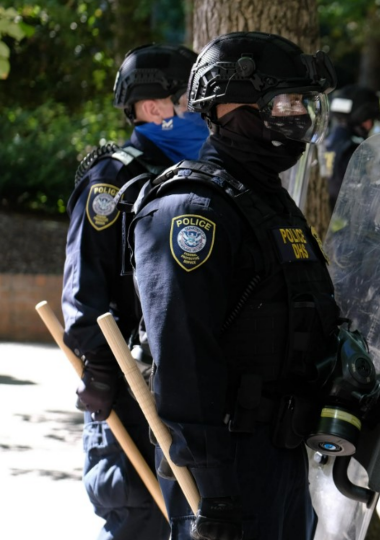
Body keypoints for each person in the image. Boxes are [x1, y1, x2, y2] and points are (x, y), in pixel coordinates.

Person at [129, 32, 339, 539]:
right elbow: (183, 358)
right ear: (227, 108)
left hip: (283, 453)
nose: (298, 116)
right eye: (284, 102)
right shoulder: (193, 210)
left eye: (303, 102)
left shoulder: (267, 200)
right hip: (226, 465)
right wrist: (214, 488)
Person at [62, 43, 202, 540]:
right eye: (191, 98)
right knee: (137, 518)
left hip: (187, 390)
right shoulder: (113, 181)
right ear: (152, 107)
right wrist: (100, 368)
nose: (201, 111)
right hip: (128, 385)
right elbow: (86, 290)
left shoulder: (199, 177)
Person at [326, 84, 380, 210]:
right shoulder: (358, 152)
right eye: (371, 119)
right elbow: (365, 200)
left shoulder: (324, 142)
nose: (371, 125)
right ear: (362, 117)